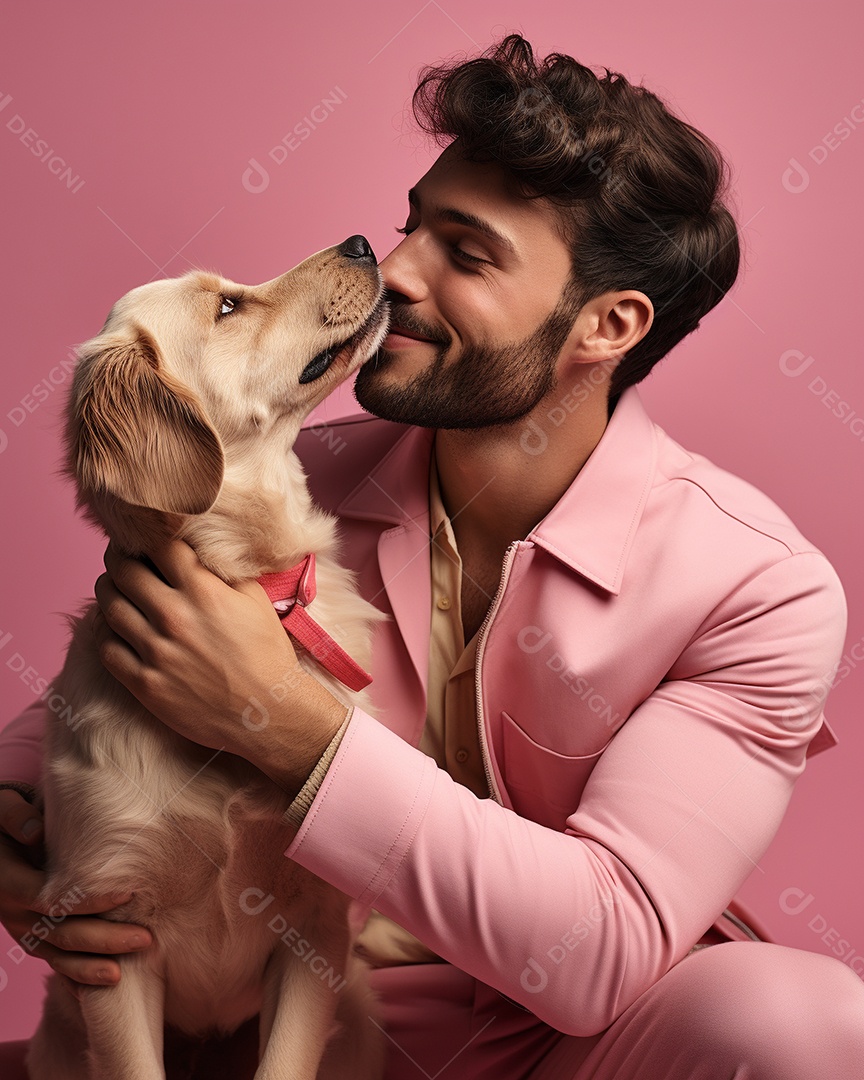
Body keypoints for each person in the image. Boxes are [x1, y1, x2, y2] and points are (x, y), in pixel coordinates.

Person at [1, 34, 863, 1080]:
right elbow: (77, 739)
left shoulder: (759, 588)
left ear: (608, 325)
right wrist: (15, 864)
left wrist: (291, 726)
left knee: (803, 1024)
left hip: (577, 1051)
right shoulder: (269, 480)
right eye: (415, 223)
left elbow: (599, 952)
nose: (397, 270)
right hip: (285, 1040)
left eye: (467, 251)